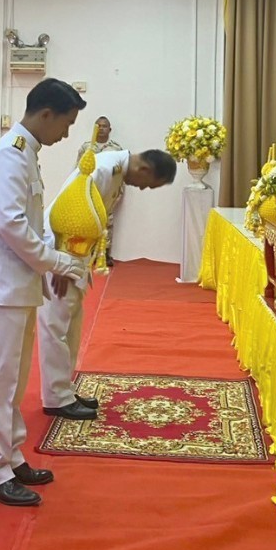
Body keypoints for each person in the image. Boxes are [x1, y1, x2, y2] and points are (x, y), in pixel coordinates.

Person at [0, 78, 87, 508]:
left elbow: (32, 223)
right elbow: (12, 226)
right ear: (46, 114)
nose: (66, 134)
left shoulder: (26, 153)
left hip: (17, 284)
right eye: (66, 124)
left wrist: (48, 262)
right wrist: (56, 263)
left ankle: (11, 455)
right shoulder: (9, 155)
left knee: (14, 382)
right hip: (1, 286)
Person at [38, 148, 176, 419]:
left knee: (71, 326)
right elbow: (66, 212)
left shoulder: (115, 171)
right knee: (55, 328)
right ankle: (55, 398)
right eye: (149, 185)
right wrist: (58, 264)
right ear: (145, 169)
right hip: (61, 255)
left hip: (76, 258)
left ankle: (64, 390)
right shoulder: (102, 169)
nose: (143, 188)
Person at [77, 116, 125, 264]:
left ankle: (105, 253)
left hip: (108, 190)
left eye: (104, 126)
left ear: (110, 129)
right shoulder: (86, 148)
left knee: (107, 221)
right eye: (98, 126)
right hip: (89, 189)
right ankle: (87, 252)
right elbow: (78, 170)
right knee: (88, 221)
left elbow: (120, 173)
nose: (101, 128)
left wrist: (119, 191)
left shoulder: (116, 149)